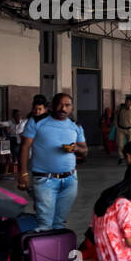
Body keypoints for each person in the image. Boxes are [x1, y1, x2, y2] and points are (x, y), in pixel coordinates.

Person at [18, 92, 87, 230]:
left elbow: (84, 150)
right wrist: (23, 173)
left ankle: (57, 250)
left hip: (70, 181)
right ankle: (43, 250)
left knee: (60, 223)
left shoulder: (75, 125)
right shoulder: (37, 122)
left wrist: (76, 149)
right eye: (60, 105)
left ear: (72, 107)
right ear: (52, 106)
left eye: (67, 105)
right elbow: (25, 148)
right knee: (45, 224)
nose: (63, 109)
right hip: (45, 180)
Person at [115, 98, 131, 163]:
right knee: (120, 144)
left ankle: (130, 157)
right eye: (126, 101)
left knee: (130, 144)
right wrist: (116, 126)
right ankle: (121, 157)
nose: (127, 103)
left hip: (130, 129)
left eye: (129, 102)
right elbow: (115, 117)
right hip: (121, 129)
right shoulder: (120, 109)